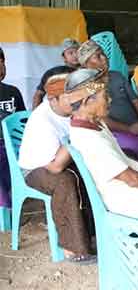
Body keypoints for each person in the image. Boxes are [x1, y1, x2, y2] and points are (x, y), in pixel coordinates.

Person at [66, 68, 138, 218]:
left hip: (132, 193)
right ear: (88, 101)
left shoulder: (94, 124)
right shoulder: (90, 140)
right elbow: (133, 180)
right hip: (131, 202)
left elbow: (128, 166)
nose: (110, 100)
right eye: (105, 96)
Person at [18, 71, 96, 264]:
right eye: (70, 97)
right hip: (37, 169)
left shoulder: (73, 110)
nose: (76, 101)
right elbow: (54, 168)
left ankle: (94, 234)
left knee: (94, 170)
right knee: (66, 182)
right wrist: (78, 129)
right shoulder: (43, 120)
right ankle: (73, 248)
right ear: (53, 99)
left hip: (63, 163)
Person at [78, 40, 138, 167]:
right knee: (137, 147)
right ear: (86, 65)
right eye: (98, 56)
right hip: (116, 131)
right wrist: (129, 129)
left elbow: (135, 100)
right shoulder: (89, 88)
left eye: (103, 54)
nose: (104, 58)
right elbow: (101, 118)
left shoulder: (117, 76)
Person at [0, 47, 26, 213]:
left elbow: (23, 121)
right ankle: (5, 205)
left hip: (14, 146)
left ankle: (7, 203)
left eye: (2, 62)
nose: (1, 67)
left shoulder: (12, 91)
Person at [32, 39, 80, 108]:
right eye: (71, 53)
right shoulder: (53, 73)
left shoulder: (88, 72)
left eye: (77, 52)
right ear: (64, 57)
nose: (75, 55)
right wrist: (35, 115)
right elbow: (38, 95)